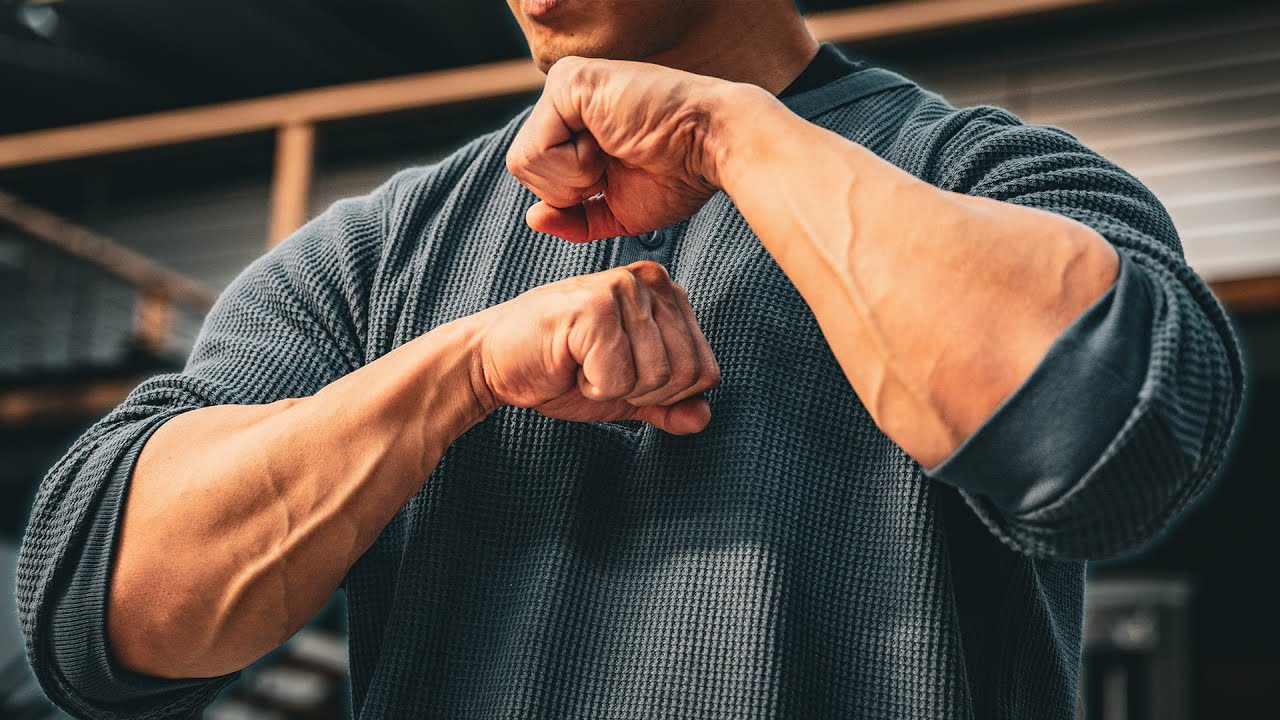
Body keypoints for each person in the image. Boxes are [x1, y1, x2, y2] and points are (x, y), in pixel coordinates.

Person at [18, 1, 1244, 718]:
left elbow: (1113, 438)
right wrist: (458, 371)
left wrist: (728, 133)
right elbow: (93, 617)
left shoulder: (986, 177)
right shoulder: (377, 254)